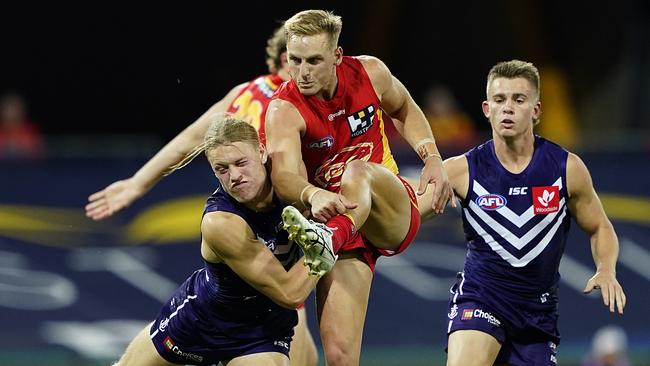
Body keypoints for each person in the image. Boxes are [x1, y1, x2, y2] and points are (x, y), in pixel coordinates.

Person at [85, 25, 319, 366]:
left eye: (318, 60)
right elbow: (194, 138)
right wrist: (139, 182)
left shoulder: (318, 101)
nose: (312, 71)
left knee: (300, 344)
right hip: (249, 227)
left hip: (284, 228)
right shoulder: (259, 97)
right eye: (303, 60)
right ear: (286, 60)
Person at [264, 9, 453, 365]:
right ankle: (332, 238)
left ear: (337, 56)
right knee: (339, 357)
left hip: (385, 209)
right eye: (296, 61)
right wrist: (313, 193)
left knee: (356, 173)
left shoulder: (370, 72)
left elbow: (405, 109)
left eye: (315, 61)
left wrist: (431, 157)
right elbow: (284, 176)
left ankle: (328, 240)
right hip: (342, 227)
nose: (303, 72)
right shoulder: (284, 110)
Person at [443, 59, 627, 366]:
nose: (508, 108)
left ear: (537, 110)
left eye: (519, 100)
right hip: (481, 297)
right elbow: (408, 212)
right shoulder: (460, 170)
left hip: (536, 316)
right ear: (487, 109)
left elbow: (600, 227)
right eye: (500, 100)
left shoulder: (566, 168)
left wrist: (606, 268)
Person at [113, 116, 335, 366]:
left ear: (262, 152)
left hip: (261, 333)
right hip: (200, 325)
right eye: (222, 169)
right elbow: (290, 292)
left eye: (241, 163)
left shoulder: (297, 184)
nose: (235, 176)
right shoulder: (220, 222)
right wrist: (328, 243)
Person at [0, 92, 45, 159]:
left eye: (15, 109)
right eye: (8, 109)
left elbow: (39, 153)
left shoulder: (31, 130)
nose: (12, 113)